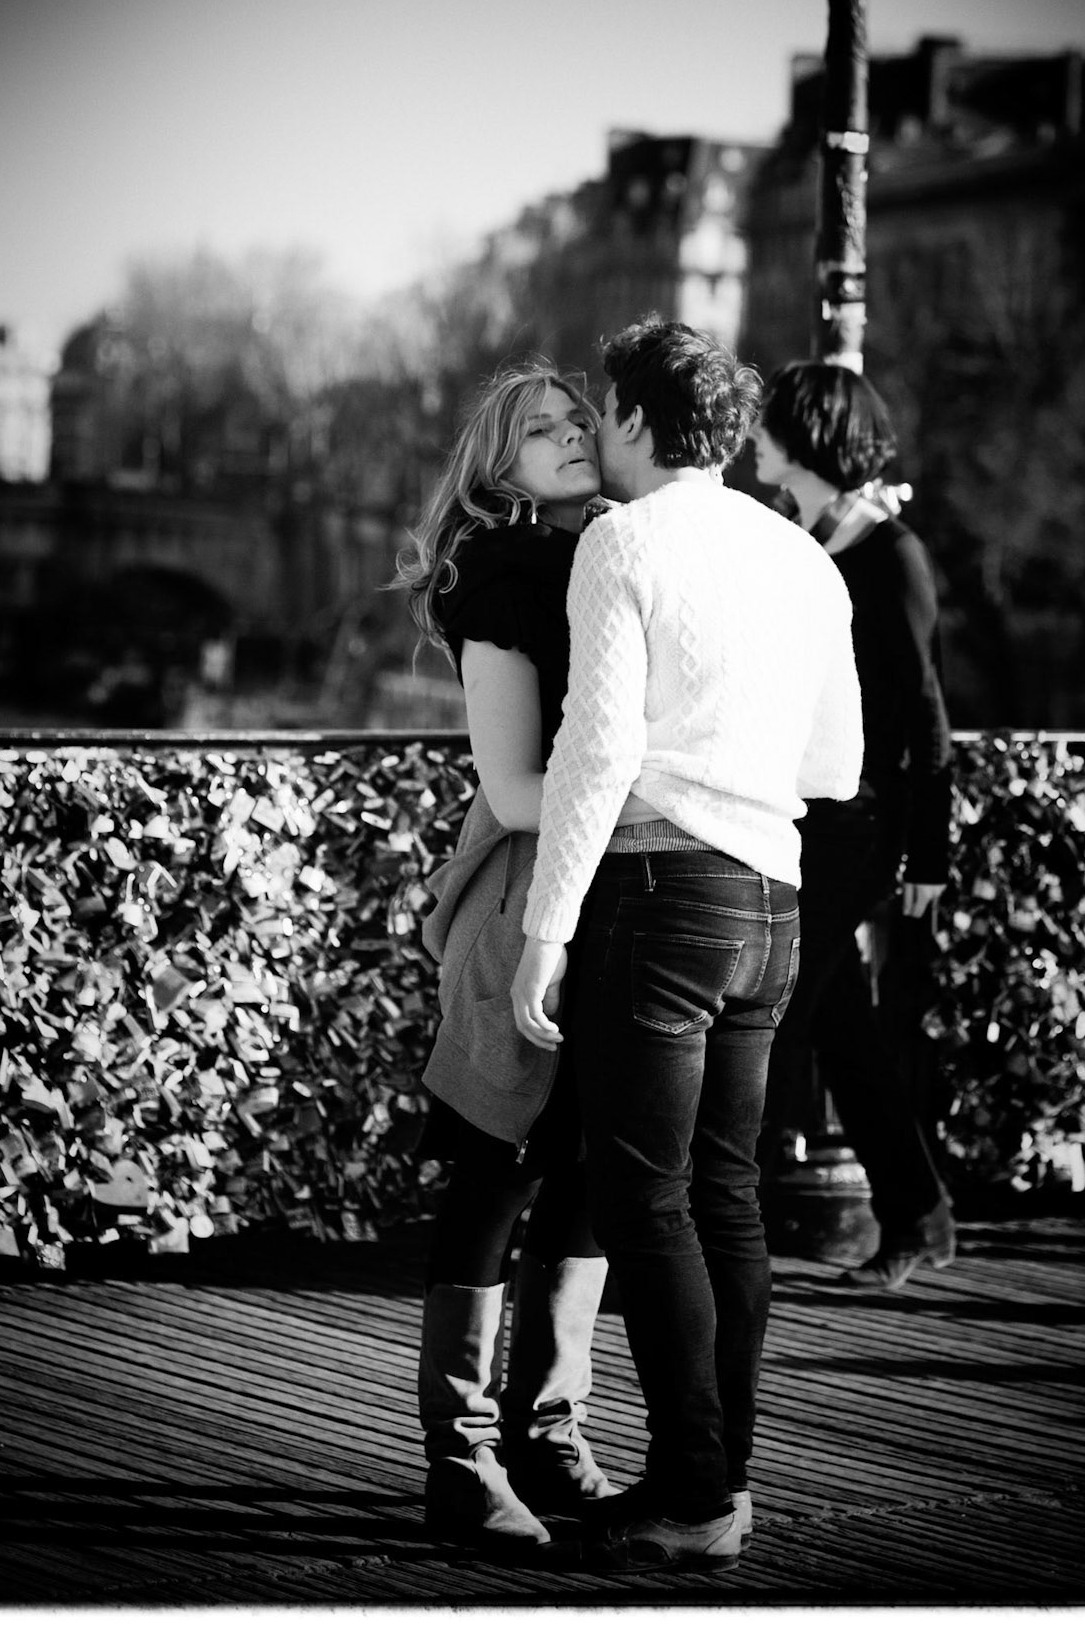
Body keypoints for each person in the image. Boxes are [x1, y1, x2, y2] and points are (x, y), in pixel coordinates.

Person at [511, 317, 863, 1574]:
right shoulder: (805, 559)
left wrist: (545, 929)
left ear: (644, 420)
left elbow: (595, 750)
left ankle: (694, 1491)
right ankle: (723, 1478)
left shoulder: (622, 541)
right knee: (728, 1197)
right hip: (774, 899)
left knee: (646, 1198)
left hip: (659, 894)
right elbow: (837, 764)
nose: (597, 429)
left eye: (606, 408)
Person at [397, 360, 623, 1554]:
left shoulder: (621, 555)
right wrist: (646, 791)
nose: (571, 437)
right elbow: (514, 787)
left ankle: (551, 1424)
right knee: (499, 1171)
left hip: (621, 902)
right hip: (527, 899)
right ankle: (462, 1452)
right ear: (500, 466)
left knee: (585, 1171)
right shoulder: (502, 580)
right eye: (541, 430)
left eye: (580, 421)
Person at [749, 361, 956, 1292]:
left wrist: (930, 849)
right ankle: (918, 1215)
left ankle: (723, 1225)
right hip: (807, 813)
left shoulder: (889, 552)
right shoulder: (805, 538)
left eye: (766, 429)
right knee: (840, 1026)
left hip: (863, 825)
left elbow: (923, 710)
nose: (752, 443)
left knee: (778, 1008)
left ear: (806, 437)